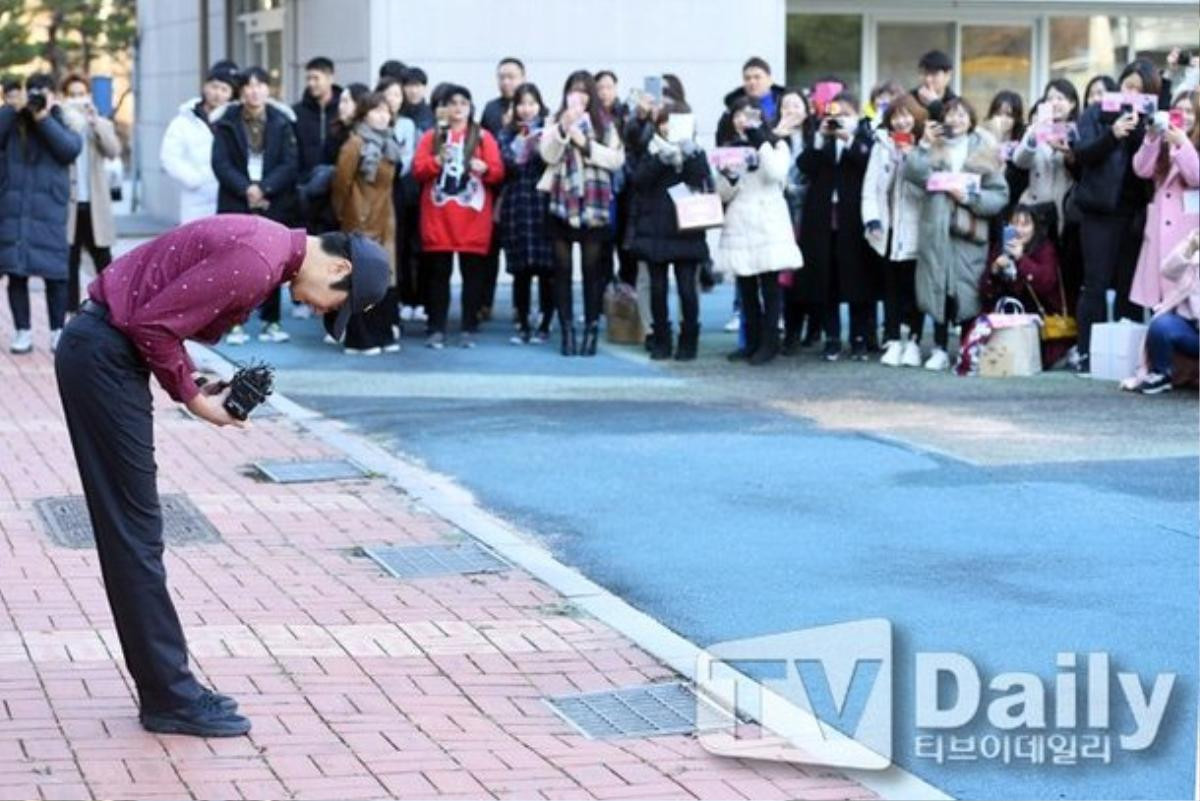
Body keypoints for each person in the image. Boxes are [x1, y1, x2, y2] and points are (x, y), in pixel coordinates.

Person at [55, 215, 388, 738]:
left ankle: (170, 688)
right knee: (135, 534)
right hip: (102, 357)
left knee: (136, 532)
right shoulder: (259, 261)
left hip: (103, 352)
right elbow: (150, 326)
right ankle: (170, 697)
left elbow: (153, 310)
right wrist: (194, 401)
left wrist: (199, 381)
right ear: (340, 267)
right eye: (334, 304)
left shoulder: (269, 248)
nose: (318, 310)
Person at [904, 96, 1009, 371]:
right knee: (937, 286)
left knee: (967, 289)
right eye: (951, 114)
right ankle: (938, 347)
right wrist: (924, 144)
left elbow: (999, 194)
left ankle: (965, 347)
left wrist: (969, 197)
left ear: (971, 119)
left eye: (962, 114)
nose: (956, 119)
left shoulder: (984, 149)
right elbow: (912, 172)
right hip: (935, 228)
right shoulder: (933, 146)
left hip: (969, 232)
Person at [1071, 59, 1159, 374]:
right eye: (1127, 86)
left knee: (1130, 288)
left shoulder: (1153, 119)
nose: (1132, 93)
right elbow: (1081, 153)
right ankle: (1086, 354)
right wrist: (1112, 134)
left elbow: (1149, 165)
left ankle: (1129, 357)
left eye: (1140, 89)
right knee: (1094, 284)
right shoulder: (1096, 112)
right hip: (1099, 211)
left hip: (1136, 214)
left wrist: (1143, 131)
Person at [210, 66, 300, 345]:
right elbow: (220, 163)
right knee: (235, 262)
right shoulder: (227, 122)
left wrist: (265, 187)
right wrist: (246, 188)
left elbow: (290, 163)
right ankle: (234, 322)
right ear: (241, 91)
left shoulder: (281, 122)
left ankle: (271, 321)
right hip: (237, 197)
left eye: (260, 85)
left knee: (272, 261)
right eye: (249, 86)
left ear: (268, 89)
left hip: (273, 198)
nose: (254, 90)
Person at [411, 83, 505, 349]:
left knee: (473, 275)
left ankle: (469, 326)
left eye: (463, 103)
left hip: (473, 217)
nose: (457, 108)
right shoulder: (432, 137)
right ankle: (436, 327)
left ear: (470, 107)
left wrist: (485, 167)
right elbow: (418, 170)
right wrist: (436, 162)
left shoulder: (483, 137)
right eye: (452, 103)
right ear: (444, 108)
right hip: (438, 216)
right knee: (438, 275)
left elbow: (498, 172)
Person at [539, 71, 626, 356]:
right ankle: (566, 331)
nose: (579, 97)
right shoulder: (554, 120)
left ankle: (591, 328)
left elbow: (616, 159)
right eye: (573, 91)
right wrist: (564, 131)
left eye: (584, 92)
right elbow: (547, 155)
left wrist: (585, 143)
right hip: (561, 201)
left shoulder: (605, 123)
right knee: (561, 269)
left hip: (594, 201)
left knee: (592, 270)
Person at [716, 97, 803, 365]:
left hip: (768, 221)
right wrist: (729, 175)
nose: (743, 120)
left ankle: (770, 343)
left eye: (748, 115)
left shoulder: (777, 144)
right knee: (746, 288)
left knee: (770, 287)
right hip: (741, 220)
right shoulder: (730, 148)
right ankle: (750, 341)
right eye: (738, 115)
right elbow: (722, 192)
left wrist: (761, 141)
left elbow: (776, 173)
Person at [0, 73, 82, 355]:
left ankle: (57, 331)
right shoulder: (11, 119)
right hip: (15, 209)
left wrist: (43, 118)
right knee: (16, 272)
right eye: (31, 91)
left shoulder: (61, 118)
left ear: (53, 95)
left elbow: (70, 149)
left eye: (42, 92)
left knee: (56, 275)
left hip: (49, 211)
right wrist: (13, 108)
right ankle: (22, 331)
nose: (35, 97)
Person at [628, 99, 711, 361]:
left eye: (674, 122)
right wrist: (660, 160)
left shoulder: (695, 151)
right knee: (658, 288)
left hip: (687, 229)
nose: (667, 127)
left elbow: (702, 180)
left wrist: (690, 155)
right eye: (663, 121)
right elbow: (639, 181)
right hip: (655, 229)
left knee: (687, 289)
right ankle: (660, 337)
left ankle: (689, 340)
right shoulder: (651, 150)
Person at [797, 91, 875, 361]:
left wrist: (848, 138)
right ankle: (831, 337)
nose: (839, 120)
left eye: (845, 114)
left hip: (853, 219)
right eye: (835, 114)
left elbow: (868, 161)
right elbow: (804, 166)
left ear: (856, 115)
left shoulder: (864, 138)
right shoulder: (823, 141)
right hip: (822, 220)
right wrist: (820, 137)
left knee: (857, 280)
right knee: (826, 280)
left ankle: (859, 338)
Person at [332, 91, 404, 355]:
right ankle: (359, 339)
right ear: (364, 114)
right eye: (376, 110)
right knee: (361, 283)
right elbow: (341, 185)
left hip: (385, 219)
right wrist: (348, 215)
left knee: (383, 281)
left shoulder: (389, 143)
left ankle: (382, 334)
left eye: (386, 111)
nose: (383, 115)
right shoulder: (355, 143)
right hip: (359, 220)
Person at [863, 93, 927, 367]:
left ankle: (913, 340)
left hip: (916, 229)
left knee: (913, 289)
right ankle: (892, 339)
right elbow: (871, 188)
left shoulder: (926, 146)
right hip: (888, 231)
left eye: (906, 115)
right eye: (896, 116)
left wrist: (912, 156)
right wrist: (872, 219)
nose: (902, 121)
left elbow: (928, 184)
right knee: (890, 288)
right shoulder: (881, 146)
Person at [1012, 79, 1081, 317]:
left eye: (1062, 98)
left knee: (1063, 275)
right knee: (1034, 269)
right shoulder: (1036, 129)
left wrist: (1069, 151)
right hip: (1035, 212)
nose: (1056, 103)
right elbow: (1020, 161)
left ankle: (1064, 330)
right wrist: (1034, 133)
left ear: (1072, 104)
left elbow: (1082, 167)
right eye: (1051, 97)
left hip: (1063, 215)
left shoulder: (1077, 131)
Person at [1129, 88, 1200, 311]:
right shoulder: (1163, 143)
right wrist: (1151, 138)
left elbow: (1195, 176)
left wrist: (1183, 144)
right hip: (1159, 234)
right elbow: (1141, 169)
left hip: (1188, 237)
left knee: (1185, 301)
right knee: (1159, 304)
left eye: (1190, 112)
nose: (1184, 117)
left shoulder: (1187, 145)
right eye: (1178, 111)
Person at [980, 204, 1071, 368]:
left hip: (1040, 321)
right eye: (1015, 224)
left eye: (1025, 224)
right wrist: (994, 270)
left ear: (1034, 227)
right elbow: (985, 293)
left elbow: (1046, 284)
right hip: (1009, 316)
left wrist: (1021, 259)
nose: (1020, 230)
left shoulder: (1045, 248)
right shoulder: (1001, 247)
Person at [498, 83, 555, 344]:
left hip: (544, 203)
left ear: (540, 106)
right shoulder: (506, 133)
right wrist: (521, 145)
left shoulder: (551, 130)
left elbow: (554, 160)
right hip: (517, 204)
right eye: (522, 103)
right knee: (520, 270)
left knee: (547, 269)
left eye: (532, 103)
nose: (527, 108)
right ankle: (521, 322)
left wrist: (542, 145)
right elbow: (503, 165)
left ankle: (545, 322)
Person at [60, 74, 121, 315]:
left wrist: (95, 123)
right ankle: (70, 313)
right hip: (69, 206)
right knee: (69, 262)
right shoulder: (60, 125)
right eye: (72, 94)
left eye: (81, 94)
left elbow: (113, 150)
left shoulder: (100, 123)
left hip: (95, 205)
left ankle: (111, 309)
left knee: (103, 260)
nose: (77, 99)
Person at [160, 61, 239, 224]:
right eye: (214, 87)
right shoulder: (184, 120)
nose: (218, 93)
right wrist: (194, 179)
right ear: (205, 87)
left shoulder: (235, 120)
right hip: (196, 199)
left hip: (231, 199)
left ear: (231, 94)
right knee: (196, 243)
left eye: (224, 89)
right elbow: (169, 157)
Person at [1128, 228, 1200, 394]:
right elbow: (1168, 270)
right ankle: (1162, 373)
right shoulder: (1195, 240)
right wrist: (1190, 247)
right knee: (1161, 324)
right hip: (1191, 327)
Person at [775, 88, 816, 354]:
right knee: (784, 275)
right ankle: (786, 331)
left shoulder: (816, 137)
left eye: (796, 106)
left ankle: (808, 329)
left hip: (809, 214)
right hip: (780, 213)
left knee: (805, 274)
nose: (791, 111)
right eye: (786, 106)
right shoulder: (774, 137)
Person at [397, 67, 434, 323]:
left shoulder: (432, 116)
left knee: (423, 249)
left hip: (425, 192)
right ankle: (405, 298)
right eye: (409, 85)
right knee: (401, 248)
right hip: (400, 191)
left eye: (418, 85)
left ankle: (422, 299)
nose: (413, 90)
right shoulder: (395, 116)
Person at [292, 56, 342, 235]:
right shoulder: (296, 112)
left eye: (316, 78)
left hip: (335, 191)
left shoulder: (343, 110)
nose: (311, 83)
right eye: (308, 79)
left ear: (331, 78)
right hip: (305, 192)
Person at [716, 57, 787, 146]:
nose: (752, 82)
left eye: (757, 77)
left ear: (769, 80)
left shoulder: (787, 104)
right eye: (747, 78)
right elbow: (722, 142)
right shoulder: (732, 109)